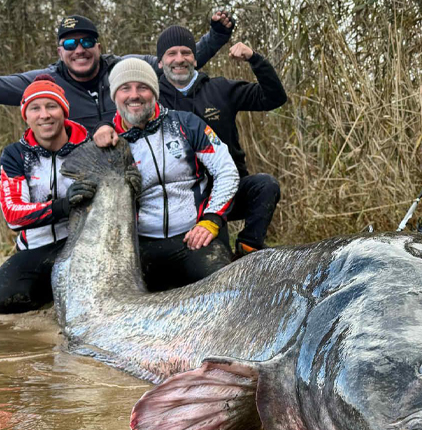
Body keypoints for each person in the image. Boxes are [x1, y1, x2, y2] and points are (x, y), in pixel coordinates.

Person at [94, 25, 287, 257]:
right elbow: (123, 109)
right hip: (185, 194)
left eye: (186, 52)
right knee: (211, 253)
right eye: (171, 54)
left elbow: (274, 98)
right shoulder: (150, 98)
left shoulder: (220, 89)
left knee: (265, 185)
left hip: (225, 183)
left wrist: (255, 59)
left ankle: (248, 248)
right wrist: (103, 126)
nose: (179, 59)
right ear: (160, 62)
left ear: (195, 59)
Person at [91, 58, 239, 292]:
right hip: (140, 246)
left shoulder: (187, 124)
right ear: (114, 96)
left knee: (224, 291)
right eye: (125, 88)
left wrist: (211, 219)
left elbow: (226, 171)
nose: (134, 95)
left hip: (194, 237)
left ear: (155, 92)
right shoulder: (107, 142)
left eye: (142, 87)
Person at [0, 12, 234, 131]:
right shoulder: (45, 82)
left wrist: (217, 35)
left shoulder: (125, 68)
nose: (79, 49)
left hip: (136, 173)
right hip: (81, 181)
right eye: (70, 43)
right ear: (60, 51)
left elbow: (175, 64)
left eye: (87, 41)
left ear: (98, 45)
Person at [0, 75, 95, 313]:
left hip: (82, 246)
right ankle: (51, 294)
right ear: (26, 116)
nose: (44, 115)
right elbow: (12, 215)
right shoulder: (15, 155)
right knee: (2, 300)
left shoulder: (89, 147)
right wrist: (63, 206)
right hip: (36, 249)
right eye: (35, 108)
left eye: (51, 106)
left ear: (64, 111)